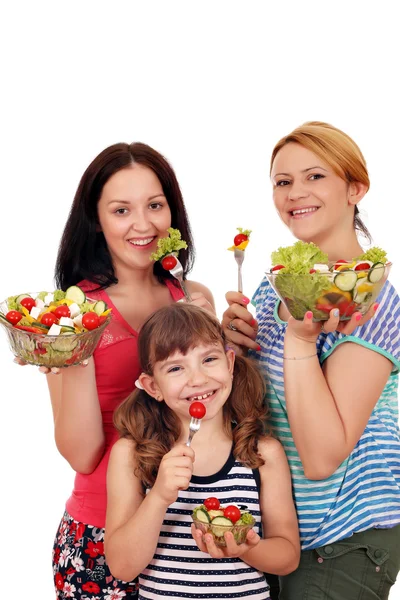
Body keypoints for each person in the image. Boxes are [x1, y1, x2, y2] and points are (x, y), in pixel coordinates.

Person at [222, 121, 400, 600]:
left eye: (315, 176)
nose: (295, 193)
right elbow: (265, 406)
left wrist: (300, 340)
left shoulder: (371, 299)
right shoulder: (277, 282)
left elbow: (321, 457)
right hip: (279, 529)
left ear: (355, 188)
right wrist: (231, 350)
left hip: (341, 539)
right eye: (283, 182)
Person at [36, 142, 215, 598]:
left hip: (193, 535)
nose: (143, 224)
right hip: (101, 537)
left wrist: (229, 340)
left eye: (155, 205)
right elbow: (81, 455)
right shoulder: (71, 314)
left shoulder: (194, 297)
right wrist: (75, 355)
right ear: (96, 220)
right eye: (121, 210)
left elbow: (217, 414)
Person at [104, 302, 300, 599]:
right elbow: (122, 566)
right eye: (175, 368)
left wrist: (249, 547)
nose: (197, 379)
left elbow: (287, 556)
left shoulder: (262, 453)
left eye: (209, 359)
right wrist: (158, 497)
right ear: (152, 386)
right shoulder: (132, 453)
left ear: (230, 364)